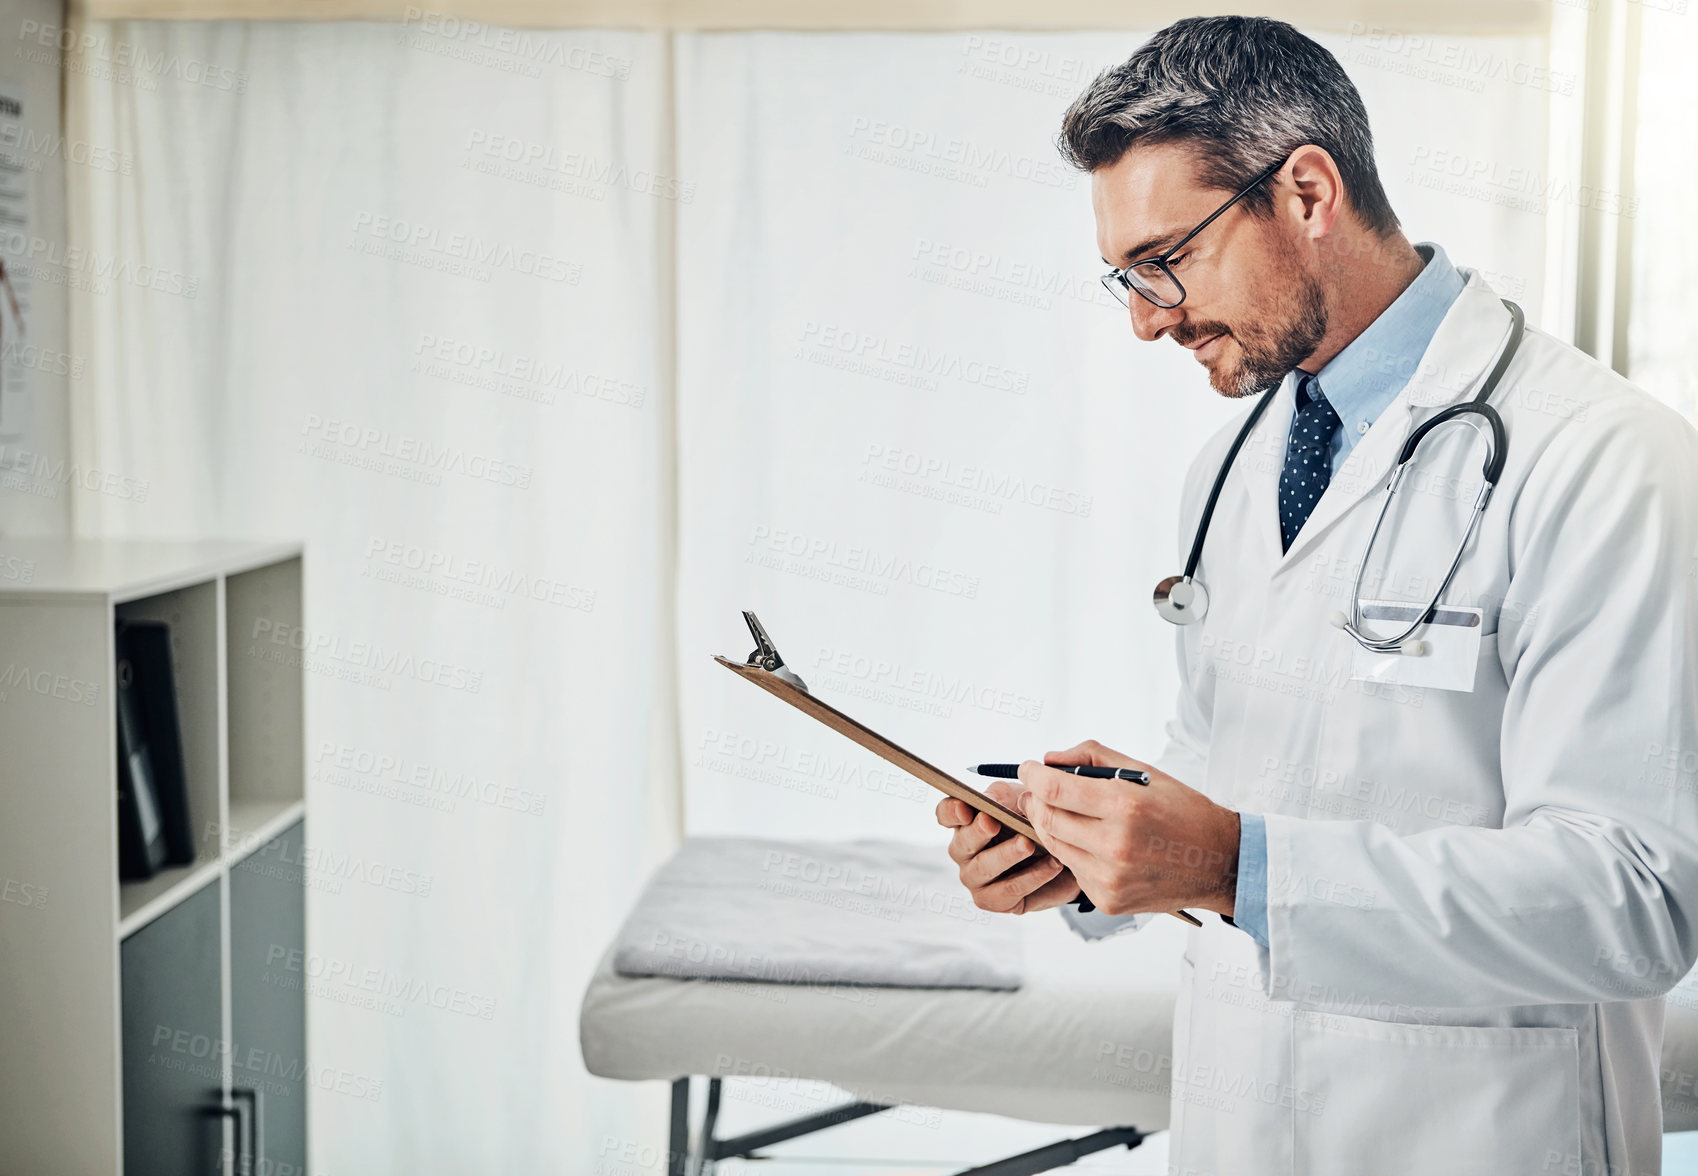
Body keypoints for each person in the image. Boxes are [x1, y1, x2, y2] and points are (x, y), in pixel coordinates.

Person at [937, 16, 1698, 1176]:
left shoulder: (1602, 459)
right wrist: (1098, 848)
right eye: (1125, 279)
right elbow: (1244, 764)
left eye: (1166, 259)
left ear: (1304, 191)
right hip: (1242, 1125)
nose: (1148, 315)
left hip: (1486, 1133)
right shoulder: (1239, 466)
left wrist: (1240, 867)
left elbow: (1636, 897)